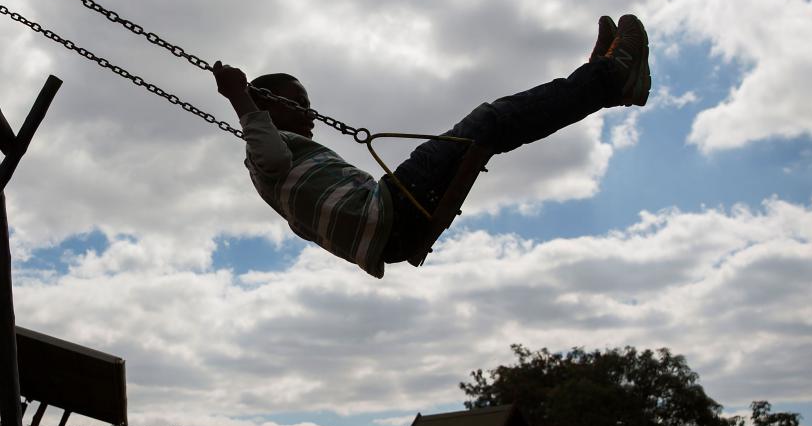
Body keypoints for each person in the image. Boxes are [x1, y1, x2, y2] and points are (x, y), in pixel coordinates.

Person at [213, 14, 650, 278]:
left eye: (309, 105)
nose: (309, 115)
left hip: (393, 227)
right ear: (267, 105)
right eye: (298, 105)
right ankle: (609, 77)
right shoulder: (262, 147)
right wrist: (240, 98)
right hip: (390, 211)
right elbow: (269, 153)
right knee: (488, 121)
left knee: (487, 132)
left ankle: (600, 80)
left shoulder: (280, 146)